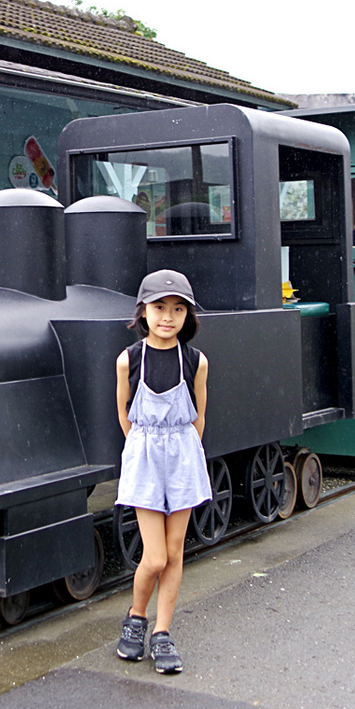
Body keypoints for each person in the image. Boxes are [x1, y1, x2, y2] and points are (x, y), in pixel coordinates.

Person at [115, 269, 210, 676]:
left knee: (174, 553)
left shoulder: (195, 360)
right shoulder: (129, 359)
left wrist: (181, 450)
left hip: (184, 455)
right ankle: (137, 616)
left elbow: (199, 417)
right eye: (159, 308)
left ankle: (162, 632)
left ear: (188, 315)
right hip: (145, 456)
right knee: (154, 557)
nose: (168, 317)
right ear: (143, 312)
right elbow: (124, 415)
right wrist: (147, 447)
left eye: (177, 309)